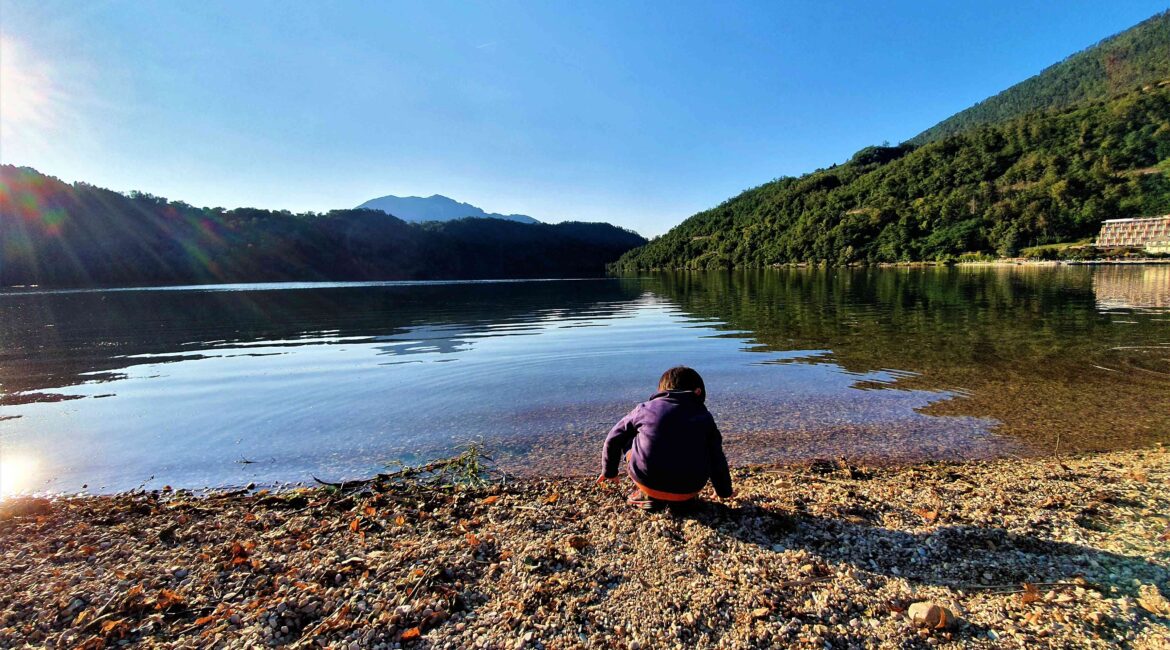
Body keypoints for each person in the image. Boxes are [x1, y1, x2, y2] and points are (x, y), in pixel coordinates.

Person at [597, 366, 734, 509]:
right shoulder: (705, 418)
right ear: (698, 392)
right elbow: (717, 457)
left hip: (648, 482)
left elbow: (613, 437)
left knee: (628, 436)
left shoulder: (644, 408)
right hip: (689, 489)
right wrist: (724, 491)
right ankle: (683, 501)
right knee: (707, 448)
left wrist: (609, 472)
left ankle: (648, 495)